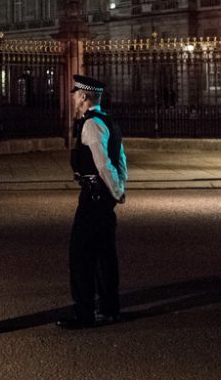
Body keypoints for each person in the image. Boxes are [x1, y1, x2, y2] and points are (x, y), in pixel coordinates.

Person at [57, 74, 128, 329]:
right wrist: (119, 188)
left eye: (76, 94)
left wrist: (116, 189)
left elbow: (103, 164)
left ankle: (84, 312)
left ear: (84, 97)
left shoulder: (91, 125)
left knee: (81, 256)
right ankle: (110, 308)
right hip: (104, 197)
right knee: (104, 255)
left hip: (94, 197)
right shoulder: (107, 120)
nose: (74, 98)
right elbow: (121, 158)